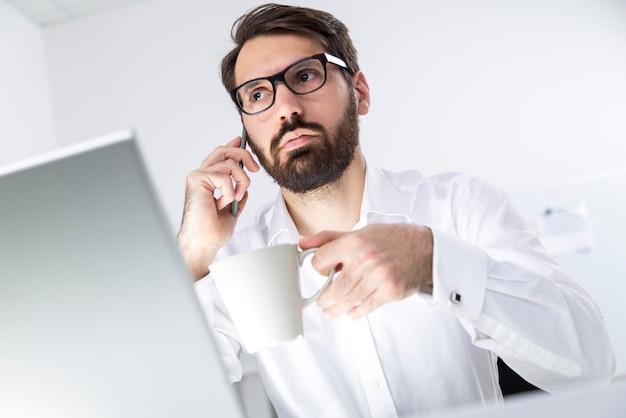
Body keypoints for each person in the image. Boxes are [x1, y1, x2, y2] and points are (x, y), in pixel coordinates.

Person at [177, 3, 615, 417]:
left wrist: (432, 261)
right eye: (257, 95)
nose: (286, 108)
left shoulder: (460, 205)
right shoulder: (230, 263)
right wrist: (191, 256)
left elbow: (590, 365)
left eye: (306, 75)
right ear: (246, 131)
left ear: (360, 92)